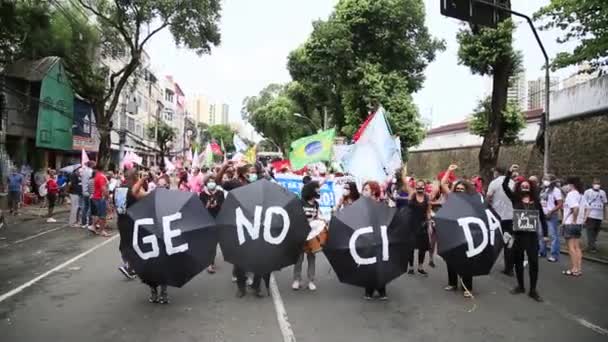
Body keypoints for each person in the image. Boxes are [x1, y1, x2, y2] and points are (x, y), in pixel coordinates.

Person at [216, 161, 268, 298]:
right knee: (239, 261)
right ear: (243, 174)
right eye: (250, 172)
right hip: (239, 227)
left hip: (257, 226)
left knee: (261, 260)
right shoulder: (235, 184)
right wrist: (224, 167)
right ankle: (241, 287)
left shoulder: (261, 184)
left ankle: (256, 287)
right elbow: (217, 182)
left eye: (254, 172)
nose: (253, 174)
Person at [503, 165, 548, 302]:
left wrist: (545, 234)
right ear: (519, 188)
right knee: (518, 261)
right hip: (519, 236)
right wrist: (509, 172)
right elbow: (505, 186)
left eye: (527, 185)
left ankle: (533, 290)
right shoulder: (515, 199)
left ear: (531, 187)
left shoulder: (536, 202)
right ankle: (520, 286)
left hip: (532, 237)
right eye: (522, 185)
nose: (525, 187)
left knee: (534, 262)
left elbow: (542, 218)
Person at [441, 165, 476, 298]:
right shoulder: (451, 198)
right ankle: (452, 283)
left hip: (467, 235)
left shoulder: (472, 201)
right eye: (458, 189)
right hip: (452, 233)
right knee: (451, 258)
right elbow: (443, 183)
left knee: (467, 260)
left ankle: (467, 286)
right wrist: (449, 170)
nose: (460, 190)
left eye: (462, 189)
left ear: (466, 191)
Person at [361, 180, 388, 300]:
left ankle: (382, 291)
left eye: (366, 189)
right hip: (366, 238)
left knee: (380, 266)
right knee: (368, 265)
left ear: (374, 191)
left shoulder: (382, 204)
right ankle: (369, 291)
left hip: (380, 239)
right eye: (364, 189)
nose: (363, 191)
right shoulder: (361, 205)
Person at [487, 166, 516, 275]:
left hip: (497, 216)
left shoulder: (494, 183)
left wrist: (487, 207)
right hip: (511, 216)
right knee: (509, 242)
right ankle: (509, 268)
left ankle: (487, 264)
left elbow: (488, 197)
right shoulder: (512, 182)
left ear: (496, 172)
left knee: (493, 241)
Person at [292, 181, 321, 292]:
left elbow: (316, 217)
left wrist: (319, 223)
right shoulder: (301, 202)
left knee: (311, 258)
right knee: (299, 259)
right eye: (317, 188)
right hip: (301, 234)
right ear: (311, 190)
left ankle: (311, 281)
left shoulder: (316, 204)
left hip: (312, 235)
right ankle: (296, 280)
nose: (319, 190)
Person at [406, 179, 432, 276]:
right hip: (411, 224)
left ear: (424, 187)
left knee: (422, 247)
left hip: (422, 224)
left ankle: (420, 267)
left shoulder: (427, 197)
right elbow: (407, 209)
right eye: (418, 185)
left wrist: (429, 222)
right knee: (410, 247)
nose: (420, 187)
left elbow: (428, 211)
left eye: (422, 186)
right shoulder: (412, 195)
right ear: (415, 186)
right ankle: (411, 267)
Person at [199, 175, 225, 274]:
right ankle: (209, 263)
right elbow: (200, 209)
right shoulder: (202, 194)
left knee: (216, 243)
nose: (211, 183)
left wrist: (216, 205)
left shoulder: (220, 193)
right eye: (209, 181)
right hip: (207, 222)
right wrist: (207, 206)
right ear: (206, 183)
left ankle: (211, 262)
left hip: (218, 221)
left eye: (213, 181)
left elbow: (223, 207)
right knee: (209, 243)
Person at [562, 177, 585, 277]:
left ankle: (574, 269)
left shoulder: (571, 194)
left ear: (571, 185)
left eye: (567, 184)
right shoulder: (581, 195)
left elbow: (575, 208)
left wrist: (574, 220)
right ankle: (578, 269)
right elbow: (587, 208)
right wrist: (581, 220)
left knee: (571, 248)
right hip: (579, 224)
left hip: (571, 223)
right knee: (577, 247)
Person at [539, 174, 563, 262]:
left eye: (547, 179)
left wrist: (551, 211)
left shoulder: (556, 191)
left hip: (551, 215)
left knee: (553, 235)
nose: (545, 181)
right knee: (542, 234)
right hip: (542, 214)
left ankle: (554, 255)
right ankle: (542, 251)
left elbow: (560, 204)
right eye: (544, 179)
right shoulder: (543, 190)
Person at [583, 178, 607, 253]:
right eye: (596, 183)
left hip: (599, 215)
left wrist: (605, 215)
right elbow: (584, 203)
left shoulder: (602, 192)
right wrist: (584, 215)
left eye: (598, 183)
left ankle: (591, 245)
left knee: (596, 231)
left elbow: (605, 203)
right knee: (590, 231)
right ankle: (592, 247)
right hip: (590, 215)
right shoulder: (587, 192)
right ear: (592, 184)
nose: (597, 185)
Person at [91, 164, 111, 237]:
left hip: (97, 197)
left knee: (99, 214)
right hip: (100, 198)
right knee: (103, 215)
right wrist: (108, 197)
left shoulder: (97, 176)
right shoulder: (101, 177)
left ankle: (93, 226)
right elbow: (103, 188)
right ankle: (101, 230)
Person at [81, 161, 94, 229]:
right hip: (89, 191)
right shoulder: (91, 172)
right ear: (92, 165)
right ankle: (89, 223)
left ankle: (83, 223)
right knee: (90, 208)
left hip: (84, 191)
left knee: (85, 207)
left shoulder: (83, 171)